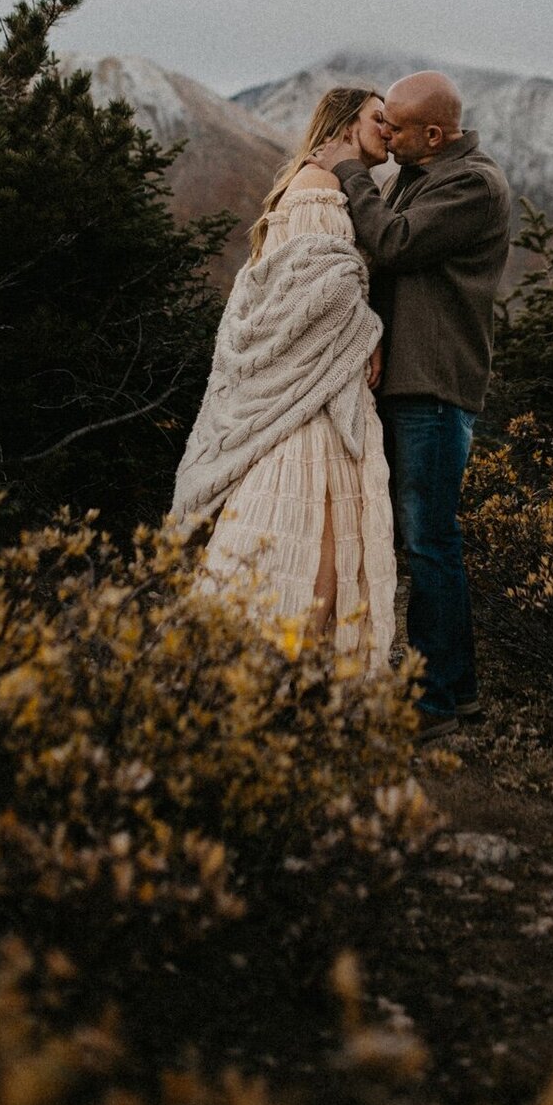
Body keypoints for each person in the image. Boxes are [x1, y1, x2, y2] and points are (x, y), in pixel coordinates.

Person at [312, 71, 512, 741]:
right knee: (425, 541)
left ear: (434, 133)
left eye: (396, 126)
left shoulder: (470, 184)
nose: (386, 133)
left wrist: (348, 172)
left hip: (432, 384)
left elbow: (394, 242)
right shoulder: (426, 173)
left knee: (430, 542)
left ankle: (434, 705)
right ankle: (457, 693)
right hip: (410, 380)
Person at [169, 88, 396, 670]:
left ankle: (247, 671)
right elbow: (316, 292)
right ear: (346, 123)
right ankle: (286, 678)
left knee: (286, 527)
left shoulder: (312, 182)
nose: (390, 131)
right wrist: (368, 331)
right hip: (314, 395)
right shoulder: (321, 187)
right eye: (379, 120)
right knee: (314, 536)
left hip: (318, 383)